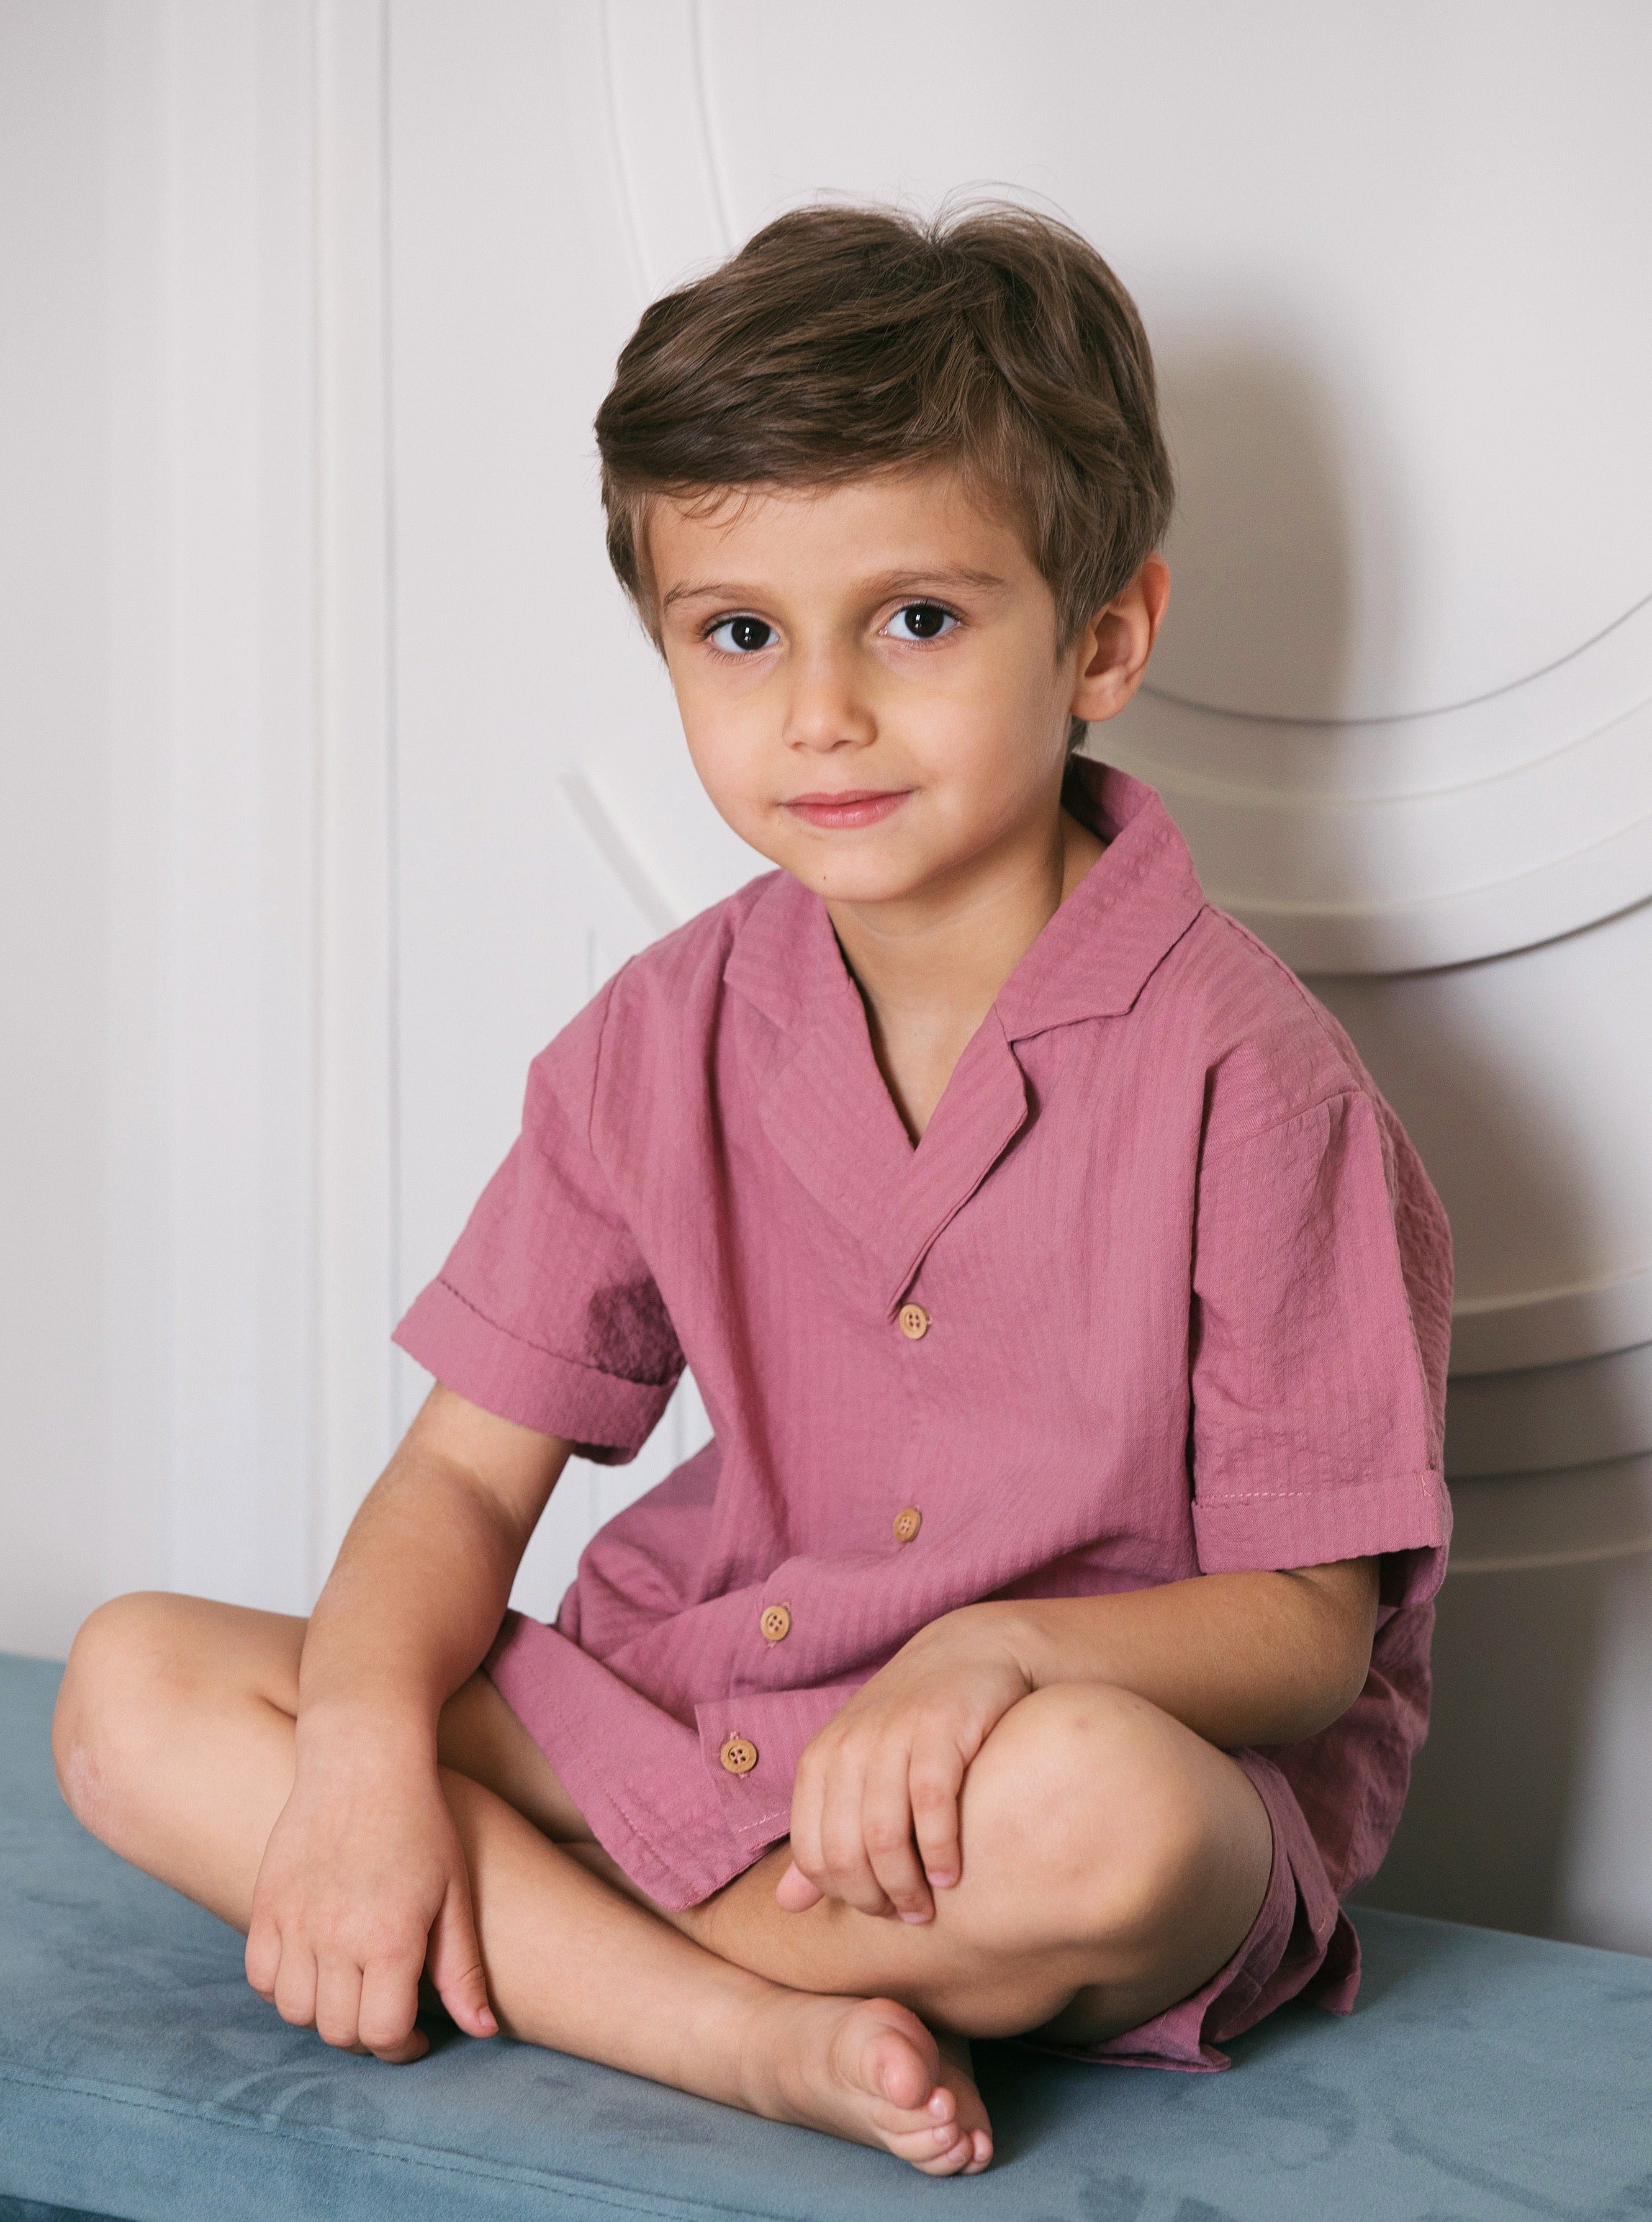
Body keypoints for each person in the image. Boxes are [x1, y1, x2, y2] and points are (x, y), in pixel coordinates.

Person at [52, 202, 1451, 2178]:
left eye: (918, 620)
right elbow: (462, 1482)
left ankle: (569, 1937)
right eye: (740, 633)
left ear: (1105, 638)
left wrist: (1005, 1652)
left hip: (1027, 1779)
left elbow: (1312, 1628)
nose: (821, 712)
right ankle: (741, 2035)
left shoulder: (1255, 1078)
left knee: (1117, 1820)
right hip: (694, 1712)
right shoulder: (659, 1032)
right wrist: (362, 1763)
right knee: (132, 1688)